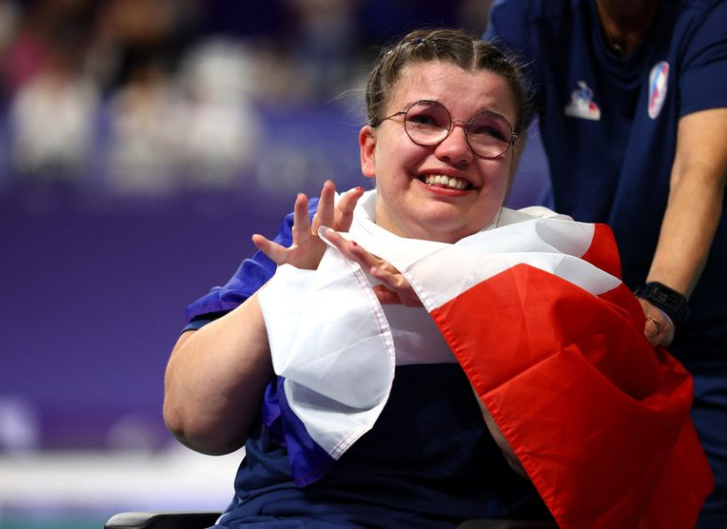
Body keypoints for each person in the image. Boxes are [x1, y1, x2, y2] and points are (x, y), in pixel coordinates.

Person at [163, 28, 710, 528]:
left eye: (488, 131)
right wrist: (296, 286)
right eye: (424, 120)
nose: (454, 148)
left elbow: (553, 468)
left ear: (511, 159)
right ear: (371, 150)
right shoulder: (305, 245)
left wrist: (458, 301)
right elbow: (193, 420)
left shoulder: (557, 268)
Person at [484, 1, 727, 526]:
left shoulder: (710, 16)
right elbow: (489, 146)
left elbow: (701, 168)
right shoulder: (529, 14)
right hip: (583, 324)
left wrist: (661, 299)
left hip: (708, 333)